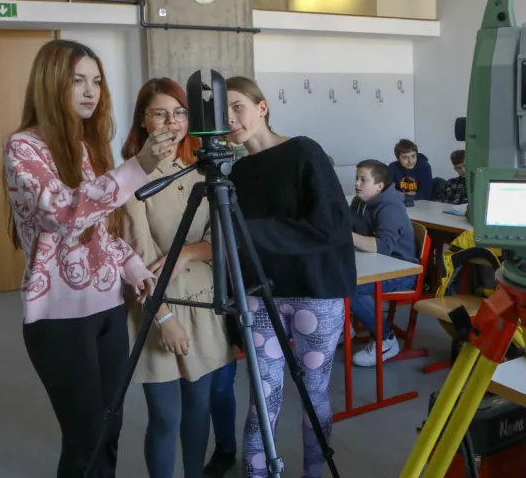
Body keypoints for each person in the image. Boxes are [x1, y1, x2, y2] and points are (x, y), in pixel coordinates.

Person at [3, 39, 179, 477]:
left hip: (107, 309)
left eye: (96, 81)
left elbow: (101, 232)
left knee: (110, 427)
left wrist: (136, 269)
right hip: (58, 319)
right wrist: (136, 167)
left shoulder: (86, 147)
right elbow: (64, 214)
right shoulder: (22, 148)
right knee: (84, 438)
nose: (90, 91)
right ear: (51, 84)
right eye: (77, 80)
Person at [224, 76, 356, 478]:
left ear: (261, 107)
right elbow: (237, 248)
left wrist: (249, 234)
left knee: (314, 395)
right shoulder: (238, 172)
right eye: (221, 113)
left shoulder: (303, 151)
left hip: (314, 293)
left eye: (237, 107)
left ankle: (315, 473)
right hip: (259, 297)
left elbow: (329, 225)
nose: (230, 120)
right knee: (262, 400)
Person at [119, 78, 239, 478]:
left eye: (180, 112)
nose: (172, 121)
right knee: (166, 417)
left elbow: (220, 240)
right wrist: (164, 318)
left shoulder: (200, 168)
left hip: (204, 302)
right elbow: (137, 256)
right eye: (160, 113)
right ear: (143, 121)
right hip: (157, 307)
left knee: (198, 410)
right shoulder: (132, 177)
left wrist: (186, 250)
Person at [349, 158, 418, 366]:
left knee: (350, 287)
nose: (357, 183)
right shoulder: (359, 202)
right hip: (377, 264)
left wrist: (345, 234)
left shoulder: (390, 207)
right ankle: (342, 327)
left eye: (363, 179)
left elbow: (382, 247)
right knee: (331, 275)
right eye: (356, 178)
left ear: (379, 186)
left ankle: (386, 340)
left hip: (402, 272)